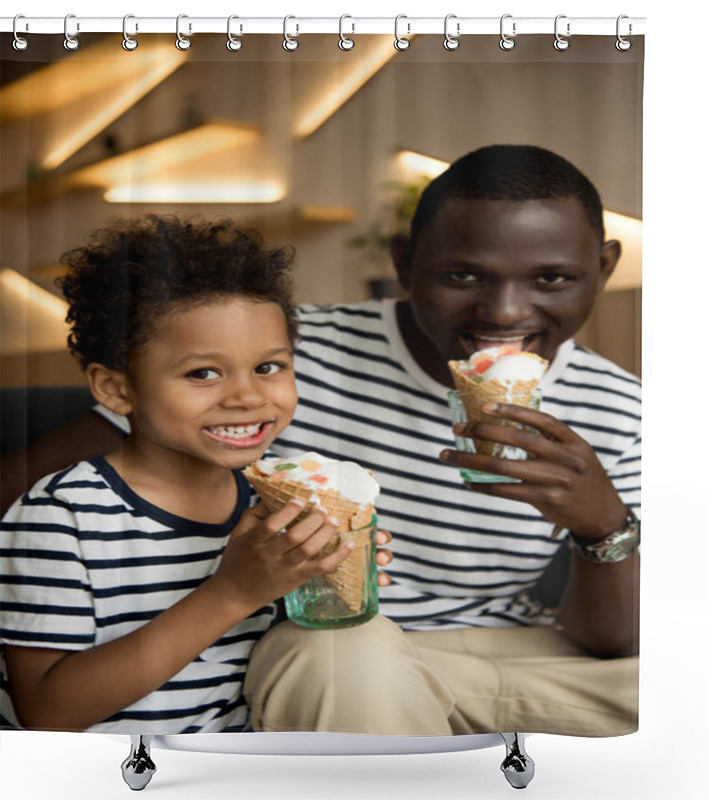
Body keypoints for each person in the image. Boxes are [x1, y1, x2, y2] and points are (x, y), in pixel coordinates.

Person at [1, 145, 640, 738]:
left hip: (517, 653)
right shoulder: (263, 356)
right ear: (405, 265)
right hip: (346, 657)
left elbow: (616, 640)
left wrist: (601, 523)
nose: (504, 313)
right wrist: (268, 583)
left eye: (552, 279)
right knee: (346, 653)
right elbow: (82, 480)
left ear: (603, 267)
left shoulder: (625, 409)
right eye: (463, 276)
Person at [0, 217, 376, 733]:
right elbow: (47, 713)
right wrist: (233, 592)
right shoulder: (59, 516)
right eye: (203, 373)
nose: (247, 396)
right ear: (116, 389)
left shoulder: (267, 508)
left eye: (269, 367)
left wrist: (321, 578)